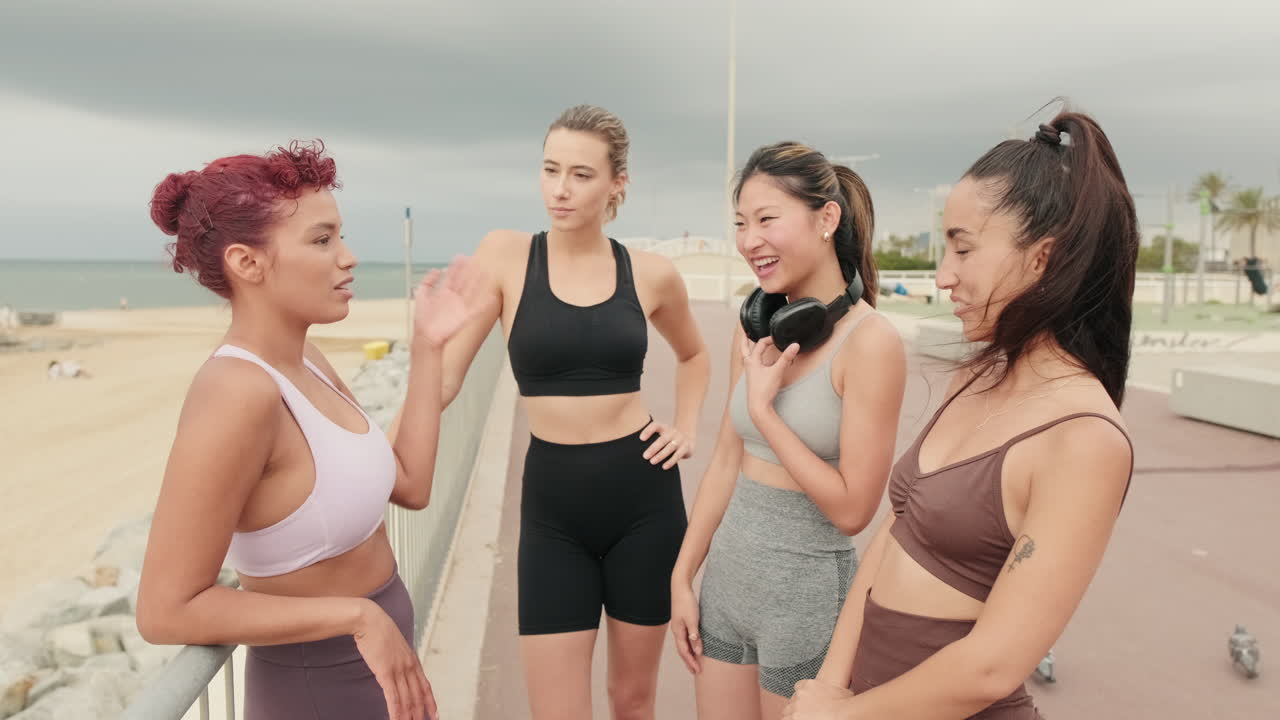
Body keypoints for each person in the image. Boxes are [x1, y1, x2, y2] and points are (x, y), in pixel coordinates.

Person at [784, 110, 1139, 719]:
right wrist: (830, 685)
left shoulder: (1086, 439)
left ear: (1043, 259)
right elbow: (894, 533)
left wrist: (841, 716)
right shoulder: (981, 379)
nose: (944, 275)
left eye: (963, 248)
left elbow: (992, 666)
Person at [135, 142, 487, 720]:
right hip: (317, 690)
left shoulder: (308, 360)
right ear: (247, 263)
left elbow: (411, 486)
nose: (347, 257)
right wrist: (355, 615)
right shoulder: (236, 394)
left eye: (340, 236)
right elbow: (164, 609)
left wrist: (428, 347)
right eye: (322, 241)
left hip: (387, 672)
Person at [430, 104, 710, 720]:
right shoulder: (504, 256)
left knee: (633, 703)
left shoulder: (652, 274)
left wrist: (685, 426)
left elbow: (694, 356)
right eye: (551, 169)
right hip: (554, 508)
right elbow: (445, 379)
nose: (560, 188)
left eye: (581, 174)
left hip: (644, 501)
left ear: (617, 184)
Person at [669, 141, 906, 720]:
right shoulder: (752, 330)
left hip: (807, 603)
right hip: (726, 585)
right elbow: (725, 462)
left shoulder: (871, 343)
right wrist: (682, 577)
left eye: (767, 219)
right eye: (741, 224)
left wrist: (767, 414)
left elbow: (853, 511)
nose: (750, 240)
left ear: (827, 218)